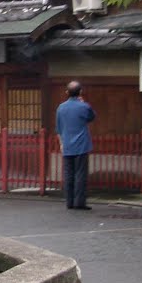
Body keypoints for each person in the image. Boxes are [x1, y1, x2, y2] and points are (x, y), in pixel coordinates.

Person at [55, 81, 96, 210]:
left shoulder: (61, 108)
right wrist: (83, 103)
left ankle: (69, 202)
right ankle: (80, 202)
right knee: (80, 174)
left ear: (67, 93)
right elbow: (91, 117)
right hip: (81, 144)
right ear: (80, 92)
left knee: (68, 174)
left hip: (67, 144)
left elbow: (58, 129)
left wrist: (61, 143)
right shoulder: (84, 106)